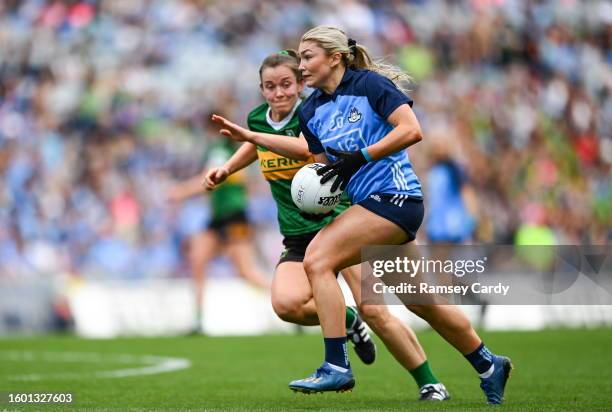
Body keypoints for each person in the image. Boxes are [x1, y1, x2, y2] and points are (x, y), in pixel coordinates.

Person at [214, 26, 512, 405]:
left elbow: (411, 130)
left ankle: (336, 365)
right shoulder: (311, 110)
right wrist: (306, 186)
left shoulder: (369, 85)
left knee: (318, 258)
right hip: (368, 207)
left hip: (396, 197)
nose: (301, 65)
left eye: (308, 57)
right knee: (421, 302)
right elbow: (320, 169)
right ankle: (489, 364)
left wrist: (362, 156)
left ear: (334, 57)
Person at [168, 131, 270, 333]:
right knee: (197, 260)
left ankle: (287, 298)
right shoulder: (231, 152)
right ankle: (197, 320)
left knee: (246, 272)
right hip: (219, 218)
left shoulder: (219, 150)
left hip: (234, 218)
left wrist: (181, 192)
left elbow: (210, 177)